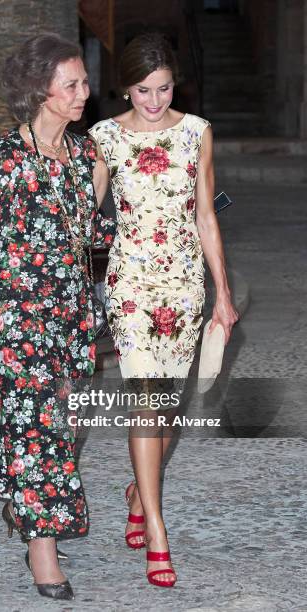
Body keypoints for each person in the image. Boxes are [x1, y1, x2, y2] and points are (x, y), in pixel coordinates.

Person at [0, 32, 115, 601]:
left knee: (67, 424)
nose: (83, 93)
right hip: (20, 315)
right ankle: (41, 547)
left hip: (73, 311)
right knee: (34, 423)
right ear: (39, 91)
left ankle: (24, 505)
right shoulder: (3, 157)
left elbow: (92, 235)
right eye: (70, 84)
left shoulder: (88, 156)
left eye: (84, 81)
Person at [89, 32, 238, 588]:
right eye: (142, 90)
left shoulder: (196, 132)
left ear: (175, 83)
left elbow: (206, 215)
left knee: (167, 409)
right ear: (125, 87)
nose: (153, 101)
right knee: (146, 405)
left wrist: (221, 293)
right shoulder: (104, 137)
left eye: (164, 88)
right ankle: (156, 526)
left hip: (183, 289)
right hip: (129, 286)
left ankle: (136, 489)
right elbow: (88, 220)